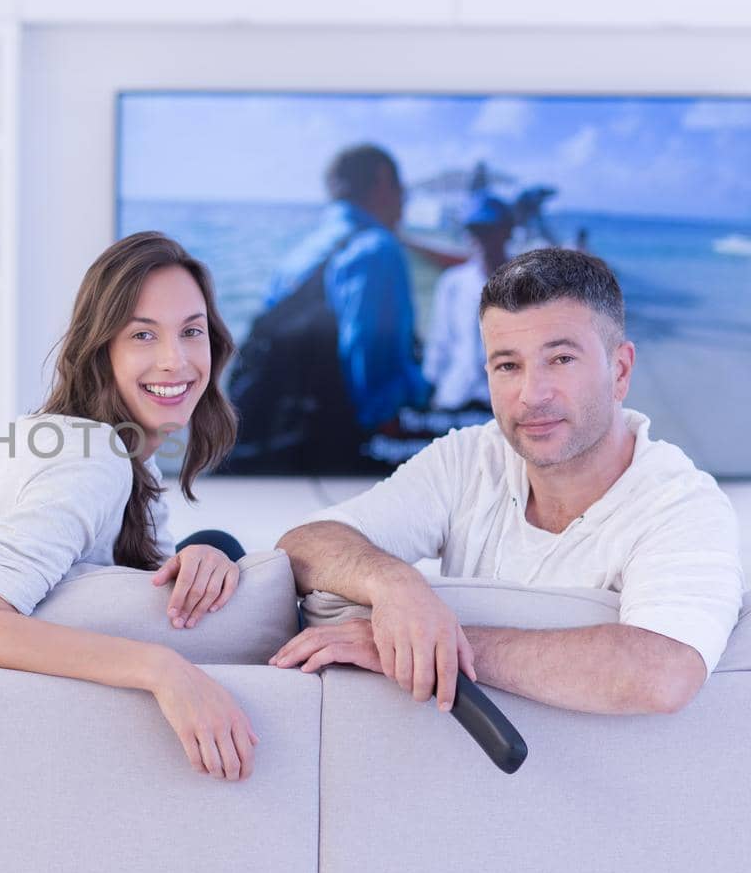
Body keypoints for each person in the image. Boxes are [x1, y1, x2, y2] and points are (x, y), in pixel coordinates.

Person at [269, 248, 743, 715]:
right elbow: (302, 544)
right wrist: (393, 583)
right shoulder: (470, 457)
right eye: (507, 366)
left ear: (619, 371)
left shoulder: (683, 505)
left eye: (560, 359)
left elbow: (662, 673)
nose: (531, 394)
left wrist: (435, 646)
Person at [0, 231, 258, 780]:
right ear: (100, 349)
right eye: (143, 335)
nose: (175, 360)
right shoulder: (92, 457)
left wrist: (211, 551)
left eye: (191, 332)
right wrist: (163, 671)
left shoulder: (122, 463)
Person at [226, 144, 429, 474]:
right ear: (382, 181)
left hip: (285, 439)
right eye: (401, 188)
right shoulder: (378, 248)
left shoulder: (303, 252)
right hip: (339, 447)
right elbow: (374, 378)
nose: (404, 200)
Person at [423, 194, 515, 411]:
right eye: (474, 230)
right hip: (456, 396)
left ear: (506, 232)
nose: (481, 238)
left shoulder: (527, 283)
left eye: (489, 230)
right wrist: (431, 388)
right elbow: (440, 341)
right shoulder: (452, 283)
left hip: (505, 402)